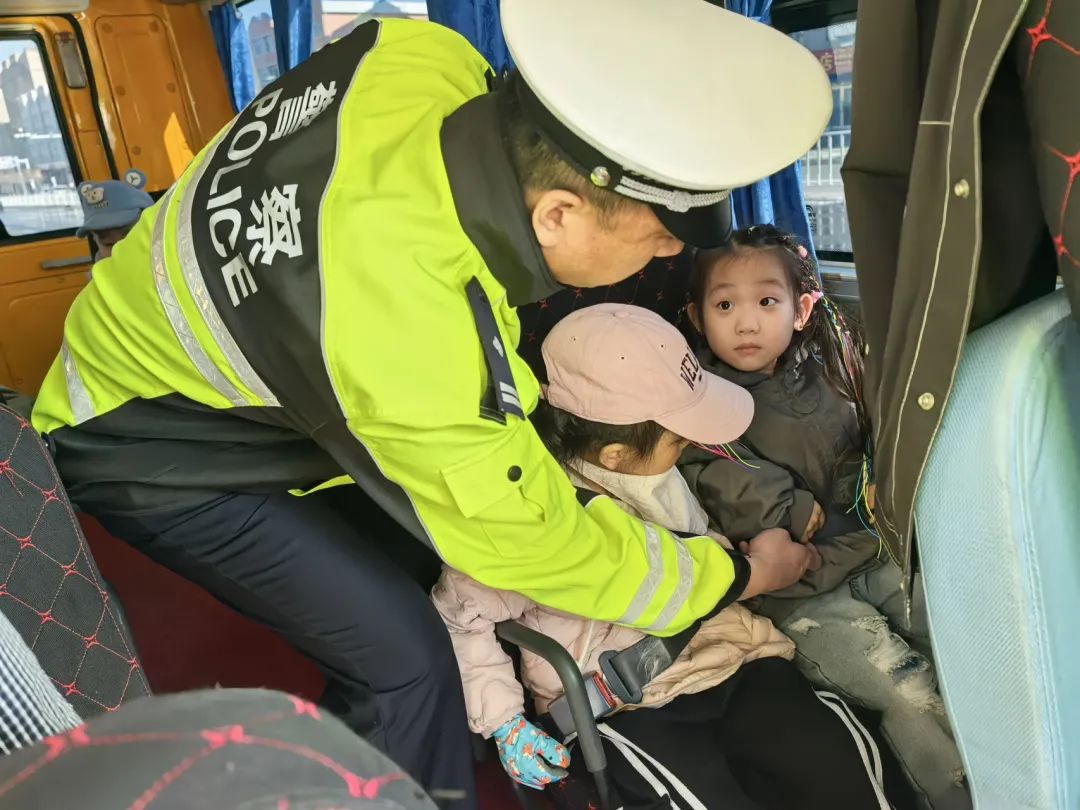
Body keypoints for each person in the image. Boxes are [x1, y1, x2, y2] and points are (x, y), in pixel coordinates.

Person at [29, 1, 832, 803]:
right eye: (657, 240)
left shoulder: (420, 52)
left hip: (186, 351)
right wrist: (728, 575)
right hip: (148, 443)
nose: (660, 257)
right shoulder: (406, 327)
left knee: (429, 559)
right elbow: (539, 547)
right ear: (558, 214)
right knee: (403, 660)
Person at [434, 304, 915, 810]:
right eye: (677, 437)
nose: (691, 444)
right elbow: (460, 612)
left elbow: (697, 562)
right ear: (616, 455)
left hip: (737, 660)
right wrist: (505, 722)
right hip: (625, 704)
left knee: (839, 770)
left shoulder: (659, 476)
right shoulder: (528, 518)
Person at [679, 225, 968, 808]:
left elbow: (871, 455)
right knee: (905, 688)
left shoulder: (833, 372)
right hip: (801, 595)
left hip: (870, 550)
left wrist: (857, 498)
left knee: (960, 638)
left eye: (767, 301)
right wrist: (812, 505)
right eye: (725, 304)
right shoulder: (697, 405)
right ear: (696, 315)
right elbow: (749, 499)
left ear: (802, 308)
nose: (746, 322)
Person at [75, 169, 153, 263]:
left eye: (130, 239)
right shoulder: (100, 275)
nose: (120, 252)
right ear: (95, 240)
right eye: (109, 244)